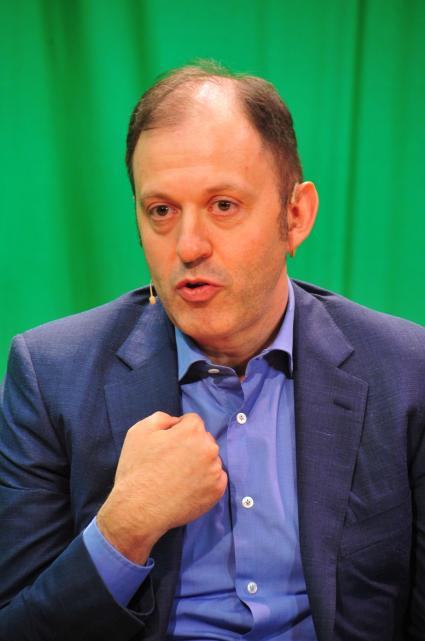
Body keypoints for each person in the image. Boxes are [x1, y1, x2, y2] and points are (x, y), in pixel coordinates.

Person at [0, 61, 424, 641]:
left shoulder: (405, 372)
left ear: (295, 215)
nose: (189, 246)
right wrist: (124, 529)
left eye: (223, 205)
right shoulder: (51, 376)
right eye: (161, 211)